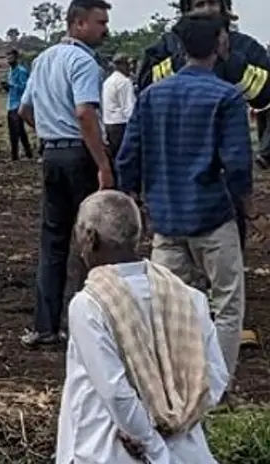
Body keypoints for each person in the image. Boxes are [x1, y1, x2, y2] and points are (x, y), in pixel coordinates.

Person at [135, 0, 268, 348]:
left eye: (212, 3)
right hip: (177, 165)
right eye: (198, 5)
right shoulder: (165, 49)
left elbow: (265, 94)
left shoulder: (247, 49)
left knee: (228, 245)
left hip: (226, 164)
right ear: (185, 11)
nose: (206, 11)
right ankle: (191, 325)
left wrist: (228, 63)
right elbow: (146, 91)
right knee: (179, 254)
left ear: (225, 7)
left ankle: (216, 323)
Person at [117, 14, 252, 382]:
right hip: (212, 217)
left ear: (180, 47)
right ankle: (216, 386)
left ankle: (175, 381)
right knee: (226, 304)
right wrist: (245, 203)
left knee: (168, 308)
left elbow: (128, 156)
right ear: (220, 45)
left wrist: (133, 199)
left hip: (167, 219)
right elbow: (238, 163)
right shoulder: (227, 97)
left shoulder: (151, 95)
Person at [55, 190, 227, 464]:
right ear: (140, 231)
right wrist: (175, 423)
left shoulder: (90, 305)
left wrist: (154, 448)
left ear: (90, 237)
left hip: (108, 450)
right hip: (187, 450)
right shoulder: (188, 297)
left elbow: (116, 393)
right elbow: (214, 378)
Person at [17, 0, 114, 348]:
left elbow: (25, 109)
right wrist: (103, 164)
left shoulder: (43, 60)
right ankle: (87, 327)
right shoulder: (85, 63)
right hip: (80, 155)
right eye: (100, 22)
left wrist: (47, 131)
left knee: (53, 242)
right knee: (94, 240)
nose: (105, 29)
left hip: (53, 154)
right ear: (78, 23)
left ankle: (45, 326)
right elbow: (85, 113)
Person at [102, 52, 136, 163]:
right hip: (121, 125)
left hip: (109, 125)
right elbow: (129, 107)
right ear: (121, 65)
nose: (130, 68)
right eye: (128, 64)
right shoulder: (124, 82)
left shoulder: (108, 81)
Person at [1, 49, 34, 160]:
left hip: (19, 104)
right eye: (7, 58)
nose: (8, 60)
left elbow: (25, 88)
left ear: (16, 58)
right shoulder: (10, 71)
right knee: (16, 130)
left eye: (11, 58)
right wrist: (6, 87)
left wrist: (11, 85)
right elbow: (11, 89)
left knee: (17, 131)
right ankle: (26, 153)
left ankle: (16, 155)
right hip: (11, 103)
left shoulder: (21, 71)